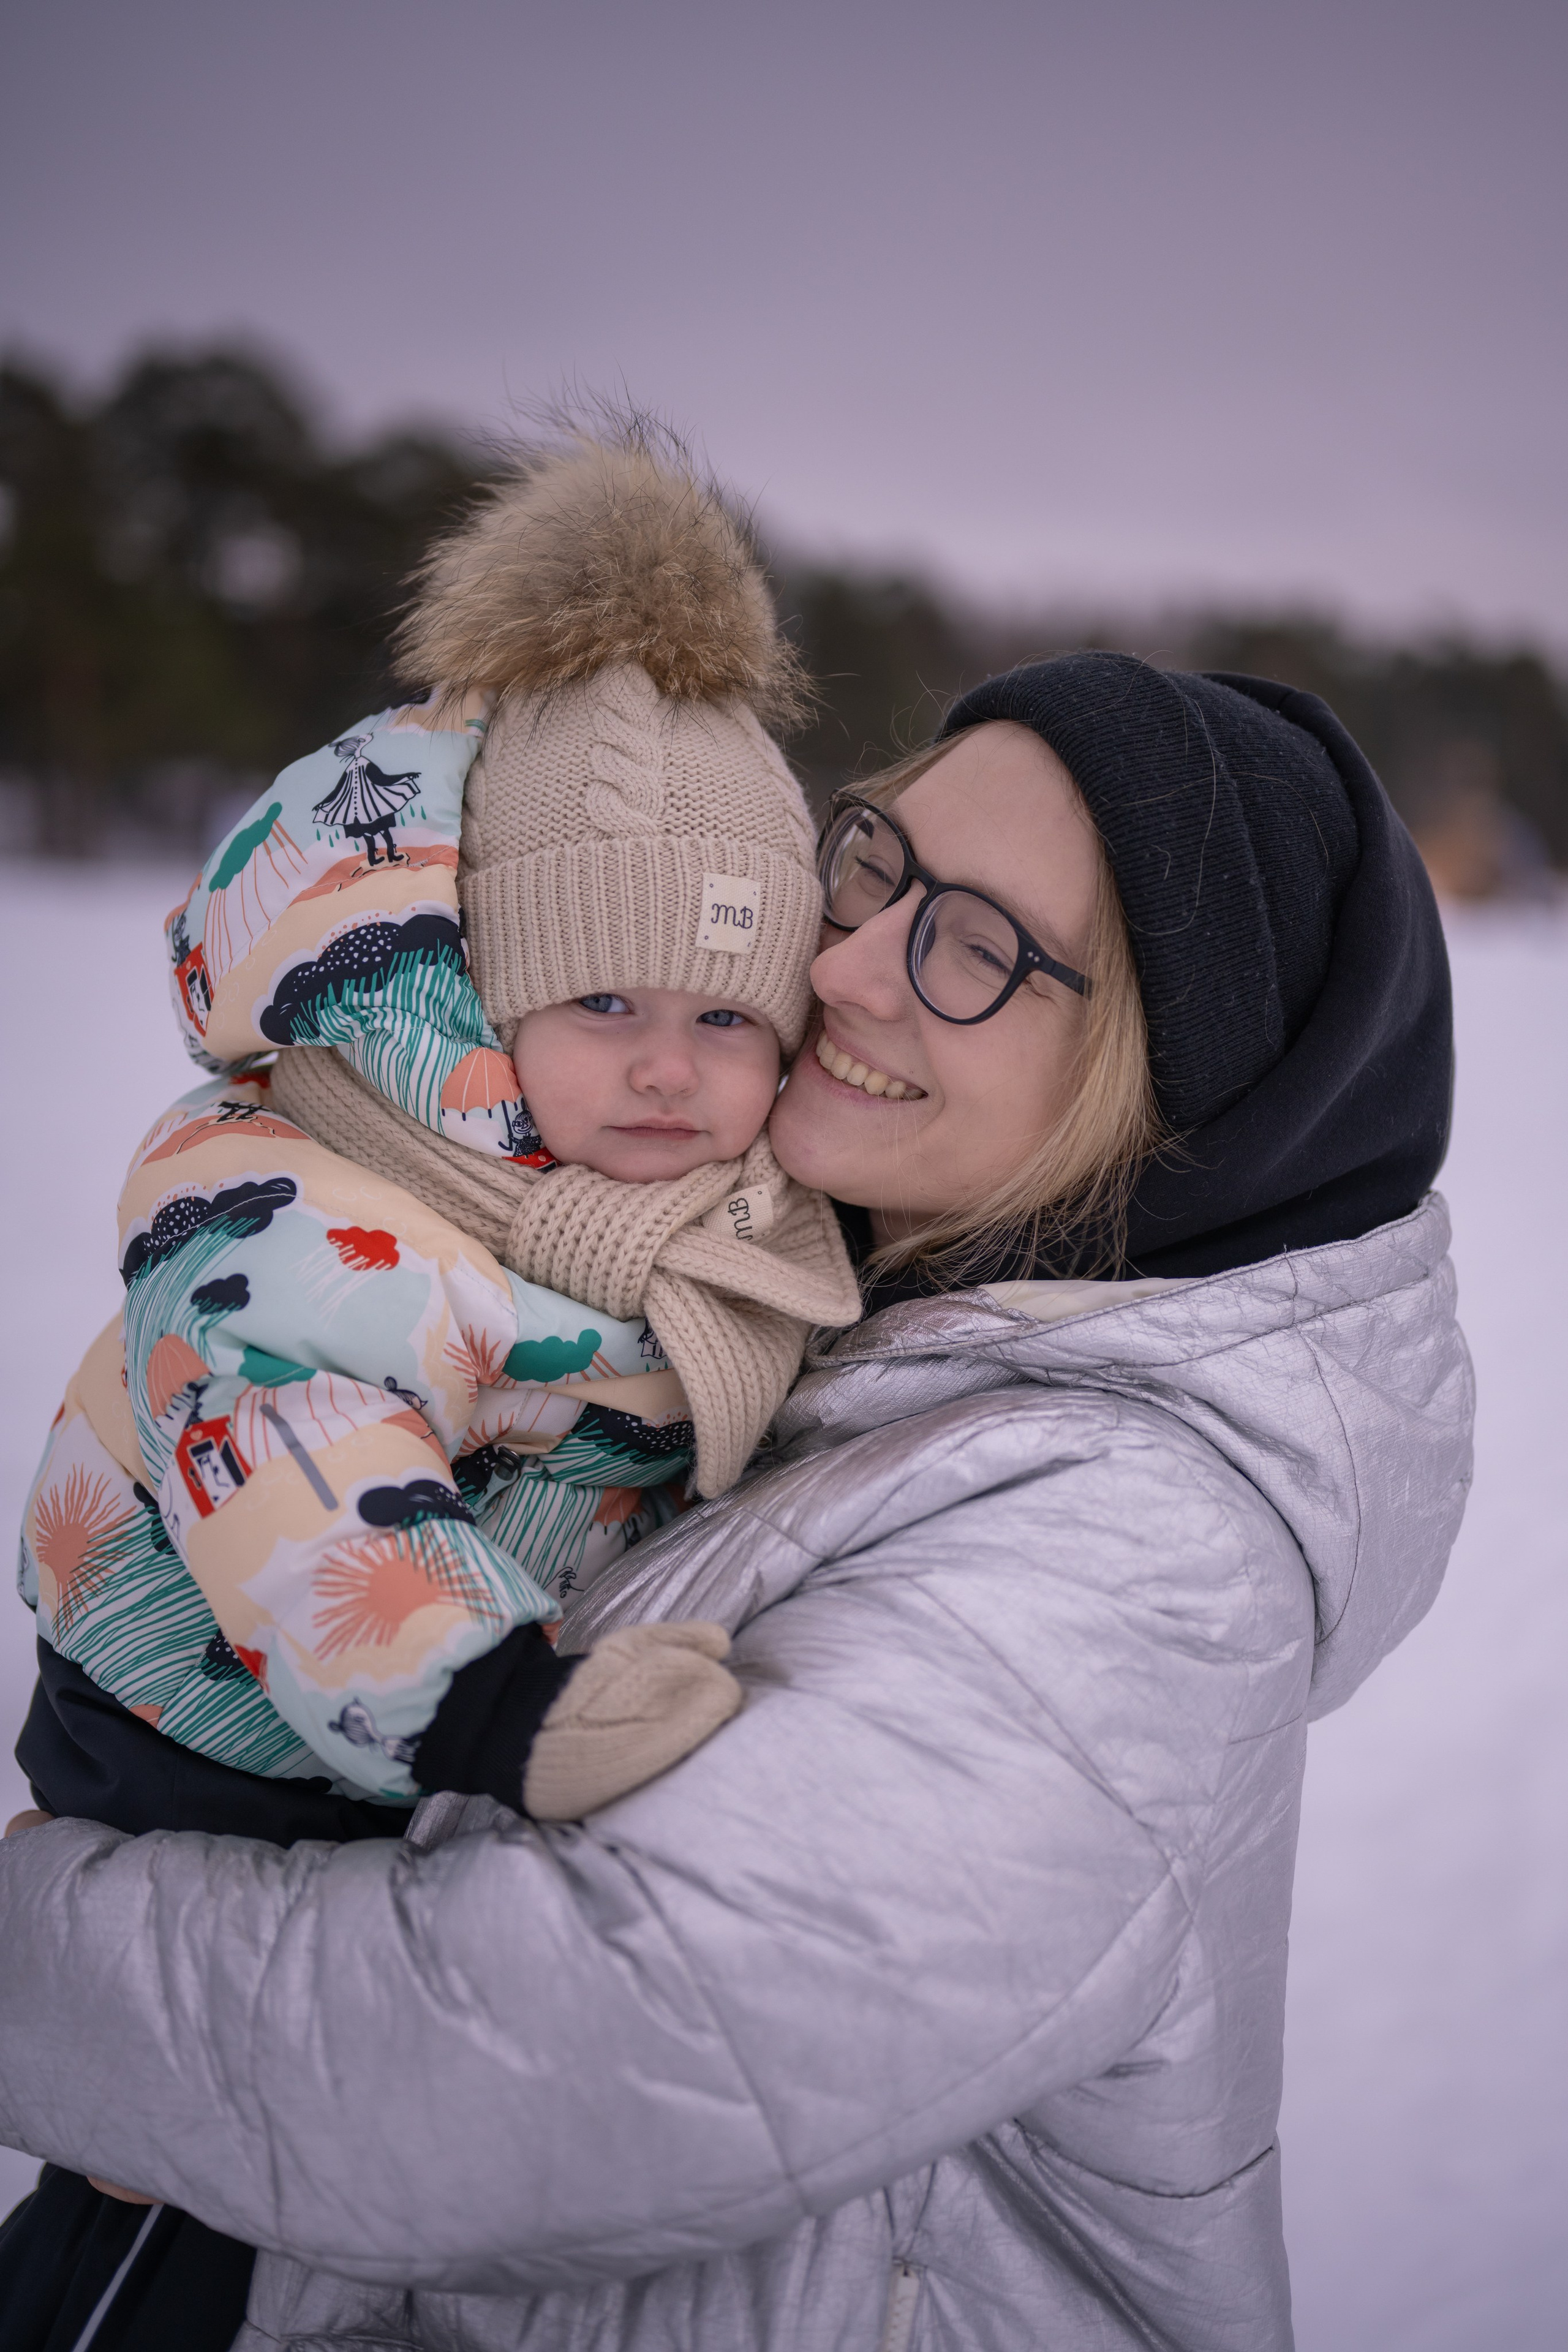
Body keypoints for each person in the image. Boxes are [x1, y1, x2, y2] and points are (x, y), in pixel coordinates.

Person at [0, 647, 1472, 2352]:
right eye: (873, 860)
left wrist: (55, 1954)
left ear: (1170, 1088)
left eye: (977, 945)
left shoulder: (1132, 1550)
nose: (842, 964)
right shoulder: (787, 1300)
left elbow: (574, 2059)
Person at [0, 434, 859, 2346]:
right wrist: (489, 1701)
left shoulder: (683, 1218)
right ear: (488, 999)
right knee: (187, 2191)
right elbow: (287, 1431)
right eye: (606, 1008)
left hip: (397, 1752)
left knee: (367, 2194)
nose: (667, 1071)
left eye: (730, 1019)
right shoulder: (335, 1187)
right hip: (210, 1719)